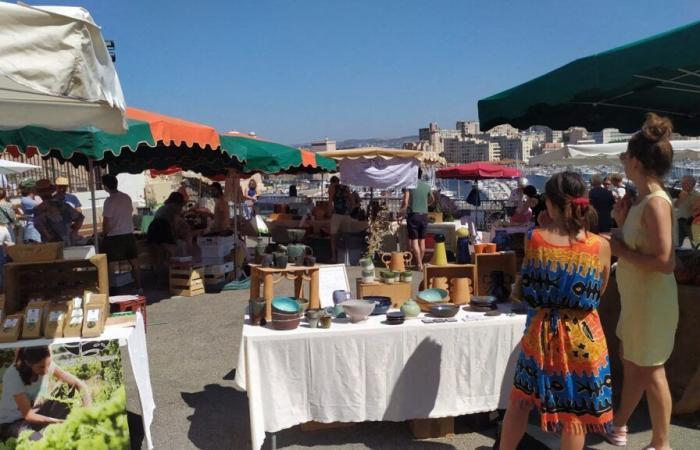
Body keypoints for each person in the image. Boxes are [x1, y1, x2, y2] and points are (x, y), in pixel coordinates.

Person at [498, 171, 611, 450]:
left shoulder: (534, 239)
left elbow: (525, 287)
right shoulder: (601, 246)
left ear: (549, 203)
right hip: (583, 335)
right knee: (575, 413)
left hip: (541, 333)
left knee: (520, 402)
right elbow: (599, 291)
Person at [607, 113, 678, 450]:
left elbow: (666, 261)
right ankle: (619, 424)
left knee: (651, 371)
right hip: (639, 300)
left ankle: (661, 443)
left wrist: (620, 248)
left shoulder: (656, 203)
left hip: (651, 303)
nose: (623, 164)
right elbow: (641, 247)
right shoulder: (642, 201)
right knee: (632, 362)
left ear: (634, 161)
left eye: (624, 157)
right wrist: (622, 223)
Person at [0, 346, 91, 440]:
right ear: (28, 363)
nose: (47, 370)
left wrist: (87, 411)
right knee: (37, 438)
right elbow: (28, 416)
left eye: (49, 364)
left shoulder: (45, 364)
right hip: (11, 424)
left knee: (67, 387)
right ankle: (46, 436)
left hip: (35, 412)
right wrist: (58, 421)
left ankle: (63, 429)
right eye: (41, 367)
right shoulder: (13, 377)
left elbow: (79, 384)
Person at [101, 174, 142, 294]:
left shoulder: (109, 201)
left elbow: (106, 221)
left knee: (105, 263)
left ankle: (107, 289)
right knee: (134, 263)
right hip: (128, 235)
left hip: (114, 237)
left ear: (105, 187)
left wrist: (104, 234)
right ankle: (139, 287)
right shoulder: (126, 197)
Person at [33, 179, 84, 246]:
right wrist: (73, 231)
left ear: (39, 194)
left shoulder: (38, 210)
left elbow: (40, 227)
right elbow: (80, 218)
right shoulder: (63, 205)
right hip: (68, 241)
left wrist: (51, 238)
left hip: (52, 245)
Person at [400, 169, 434, 270]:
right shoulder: (426, 186)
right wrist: (425, 204)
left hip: (413, 215)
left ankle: (419, 263)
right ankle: (419, 263)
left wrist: (401, 211)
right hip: (424, 215)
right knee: (422, 241)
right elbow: (432, 199)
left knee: (414, 241)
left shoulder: (409, 186)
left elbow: (405, 202)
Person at [147, 192, 188, 257]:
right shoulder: (174, 208)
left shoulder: (164, 207)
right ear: (179, 203)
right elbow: (176, 224)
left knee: (160, 253)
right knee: (172, 251)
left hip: (153, 228)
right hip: (162, 227)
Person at [328, 176, 355, 262]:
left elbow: (330, 201)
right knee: (346, 236)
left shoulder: (332, 187)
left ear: (331, 182)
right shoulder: (345, 187)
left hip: (337, 214)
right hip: (346, 215)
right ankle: (346, 258)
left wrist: (329, 212)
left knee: (333, 236)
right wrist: (350, 210)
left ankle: (334, 256)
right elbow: (352, 200)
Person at [675, 175, 698, 246]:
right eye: (682, 183)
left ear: (692, 184)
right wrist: (680, 199)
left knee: (695, 243)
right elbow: (675, 205)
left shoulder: (697, 196)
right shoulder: (679, 193)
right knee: (678, 243)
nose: (682, 185)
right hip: (679, 222)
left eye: (685, 183)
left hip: (690, 224)